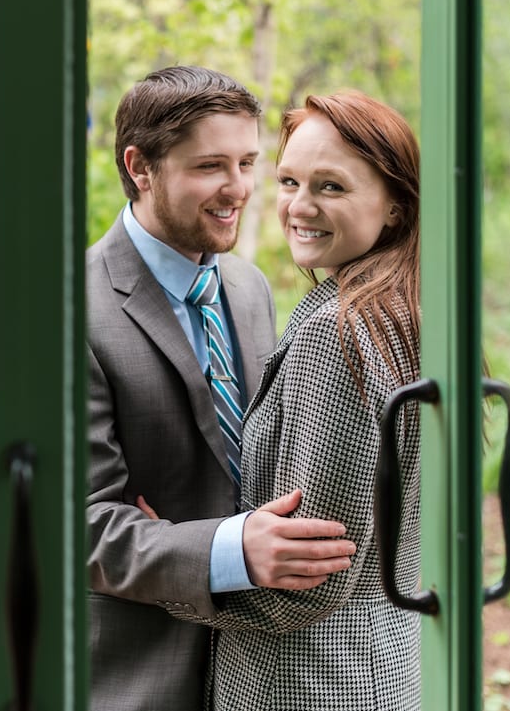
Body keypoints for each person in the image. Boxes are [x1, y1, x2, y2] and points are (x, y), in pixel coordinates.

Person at [86, 66, 358, 711]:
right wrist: (227, 548)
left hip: (263, 663)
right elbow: (79, 525)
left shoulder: (247, 285)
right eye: (211, 166)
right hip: (141, 670)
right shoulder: (71, 308)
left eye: (247, 163)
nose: (237, 189)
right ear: (141, 167)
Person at [168, 90, 424, 710]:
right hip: (387, 662)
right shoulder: (409, 309)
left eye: (331, 186)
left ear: (394, 207)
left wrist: (174, 569)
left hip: (308, 684)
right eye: (288, 180)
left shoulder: (337, 333)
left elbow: (309, 577)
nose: (299, 207)